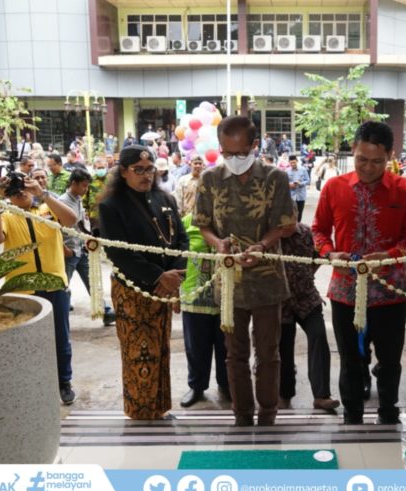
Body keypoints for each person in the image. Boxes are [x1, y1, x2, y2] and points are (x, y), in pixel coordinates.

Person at [312, 121, 406, 425]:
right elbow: (318, 231)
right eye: (362, 159)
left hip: (391, 293)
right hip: (345, 292)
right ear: (353, 150)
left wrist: (388, 257)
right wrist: (330, 253)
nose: (368, 167)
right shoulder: (334, 187)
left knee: (389, 361)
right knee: (349, 361)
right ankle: (352, 415)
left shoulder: (404, 189)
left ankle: (389, 412)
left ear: (390, 155)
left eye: (376, 161)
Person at [194, 116, 297, 427]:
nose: (233, 160)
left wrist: (262, 246)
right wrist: (218, 244)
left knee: (268, 352)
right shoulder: (210, 179)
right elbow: (203, 224)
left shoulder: (275, 178)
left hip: (266, 279)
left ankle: (268, 413)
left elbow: (286, 225)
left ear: (255, 146)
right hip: (228, 282)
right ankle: (241, 414)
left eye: (240, 153)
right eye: (226, 153)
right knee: (234, 354)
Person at [98, 145, 190, 420]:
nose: (146, 175)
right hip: (134, 291)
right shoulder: (111, 205)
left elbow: (182, 240)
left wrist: (174, 277)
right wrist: (158, 277)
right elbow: (118, 252)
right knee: (139, 355)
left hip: (165, 289)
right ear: (123, 172)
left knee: (161, 349)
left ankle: (159, 409)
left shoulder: (165, 199)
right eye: (139, 170)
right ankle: (139, 413)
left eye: (150, 169)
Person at [0, 171, 79, 404]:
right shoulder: (7, 215)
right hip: (23, 290)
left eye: (23, 187)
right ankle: (31, 383)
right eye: (14, 189)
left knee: (61, 338)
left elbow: (71, 220)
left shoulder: (47, 210)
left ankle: (64, 382)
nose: (20, 192)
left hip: (54, 285)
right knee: (26, 340)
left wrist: (43, 194)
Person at [278, 221, 340, 411]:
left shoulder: (306, 233)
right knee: (284, 348)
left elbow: (319, 256)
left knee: (319, 336)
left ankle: (321, 396)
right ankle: (284, 394)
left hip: (307, 298)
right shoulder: (270, 237)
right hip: (282, 302)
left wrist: (305, 275)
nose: (288, 224)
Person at [179, 211, 230, 407]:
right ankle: (197, 386)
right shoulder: (186, 221)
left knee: (226, 343)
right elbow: (177, 255)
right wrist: (175, 293)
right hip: (194, 293)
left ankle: (226, 385)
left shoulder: (229, 219)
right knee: (195, 345)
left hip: (225, 293)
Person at [60, 168, 116, 327]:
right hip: (69, 251)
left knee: (92, 280)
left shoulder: (77, 199)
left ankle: (105, 312)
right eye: (83, 186)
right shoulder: (63, 201)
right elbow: (57, 228)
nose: (85, 190)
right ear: (73, 183)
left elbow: (80, 224)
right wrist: (65, 249)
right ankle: (59, 316)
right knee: (62, 286)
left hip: (81, 248)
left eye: (87, 186)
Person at [286, 155, 310, 222]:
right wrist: (289, 185)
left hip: (301, 195)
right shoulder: (287, 171)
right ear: (289, 162)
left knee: (299, 213)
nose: (293, 164)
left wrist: (300, 183)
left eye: (294, 162)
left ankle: (298, 228)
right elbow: (284, 182)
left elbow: (308, 180)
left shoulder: (303, 169)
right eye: (291, 163)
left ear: (297, 161)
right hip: (291, 196)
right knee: (291, 213)